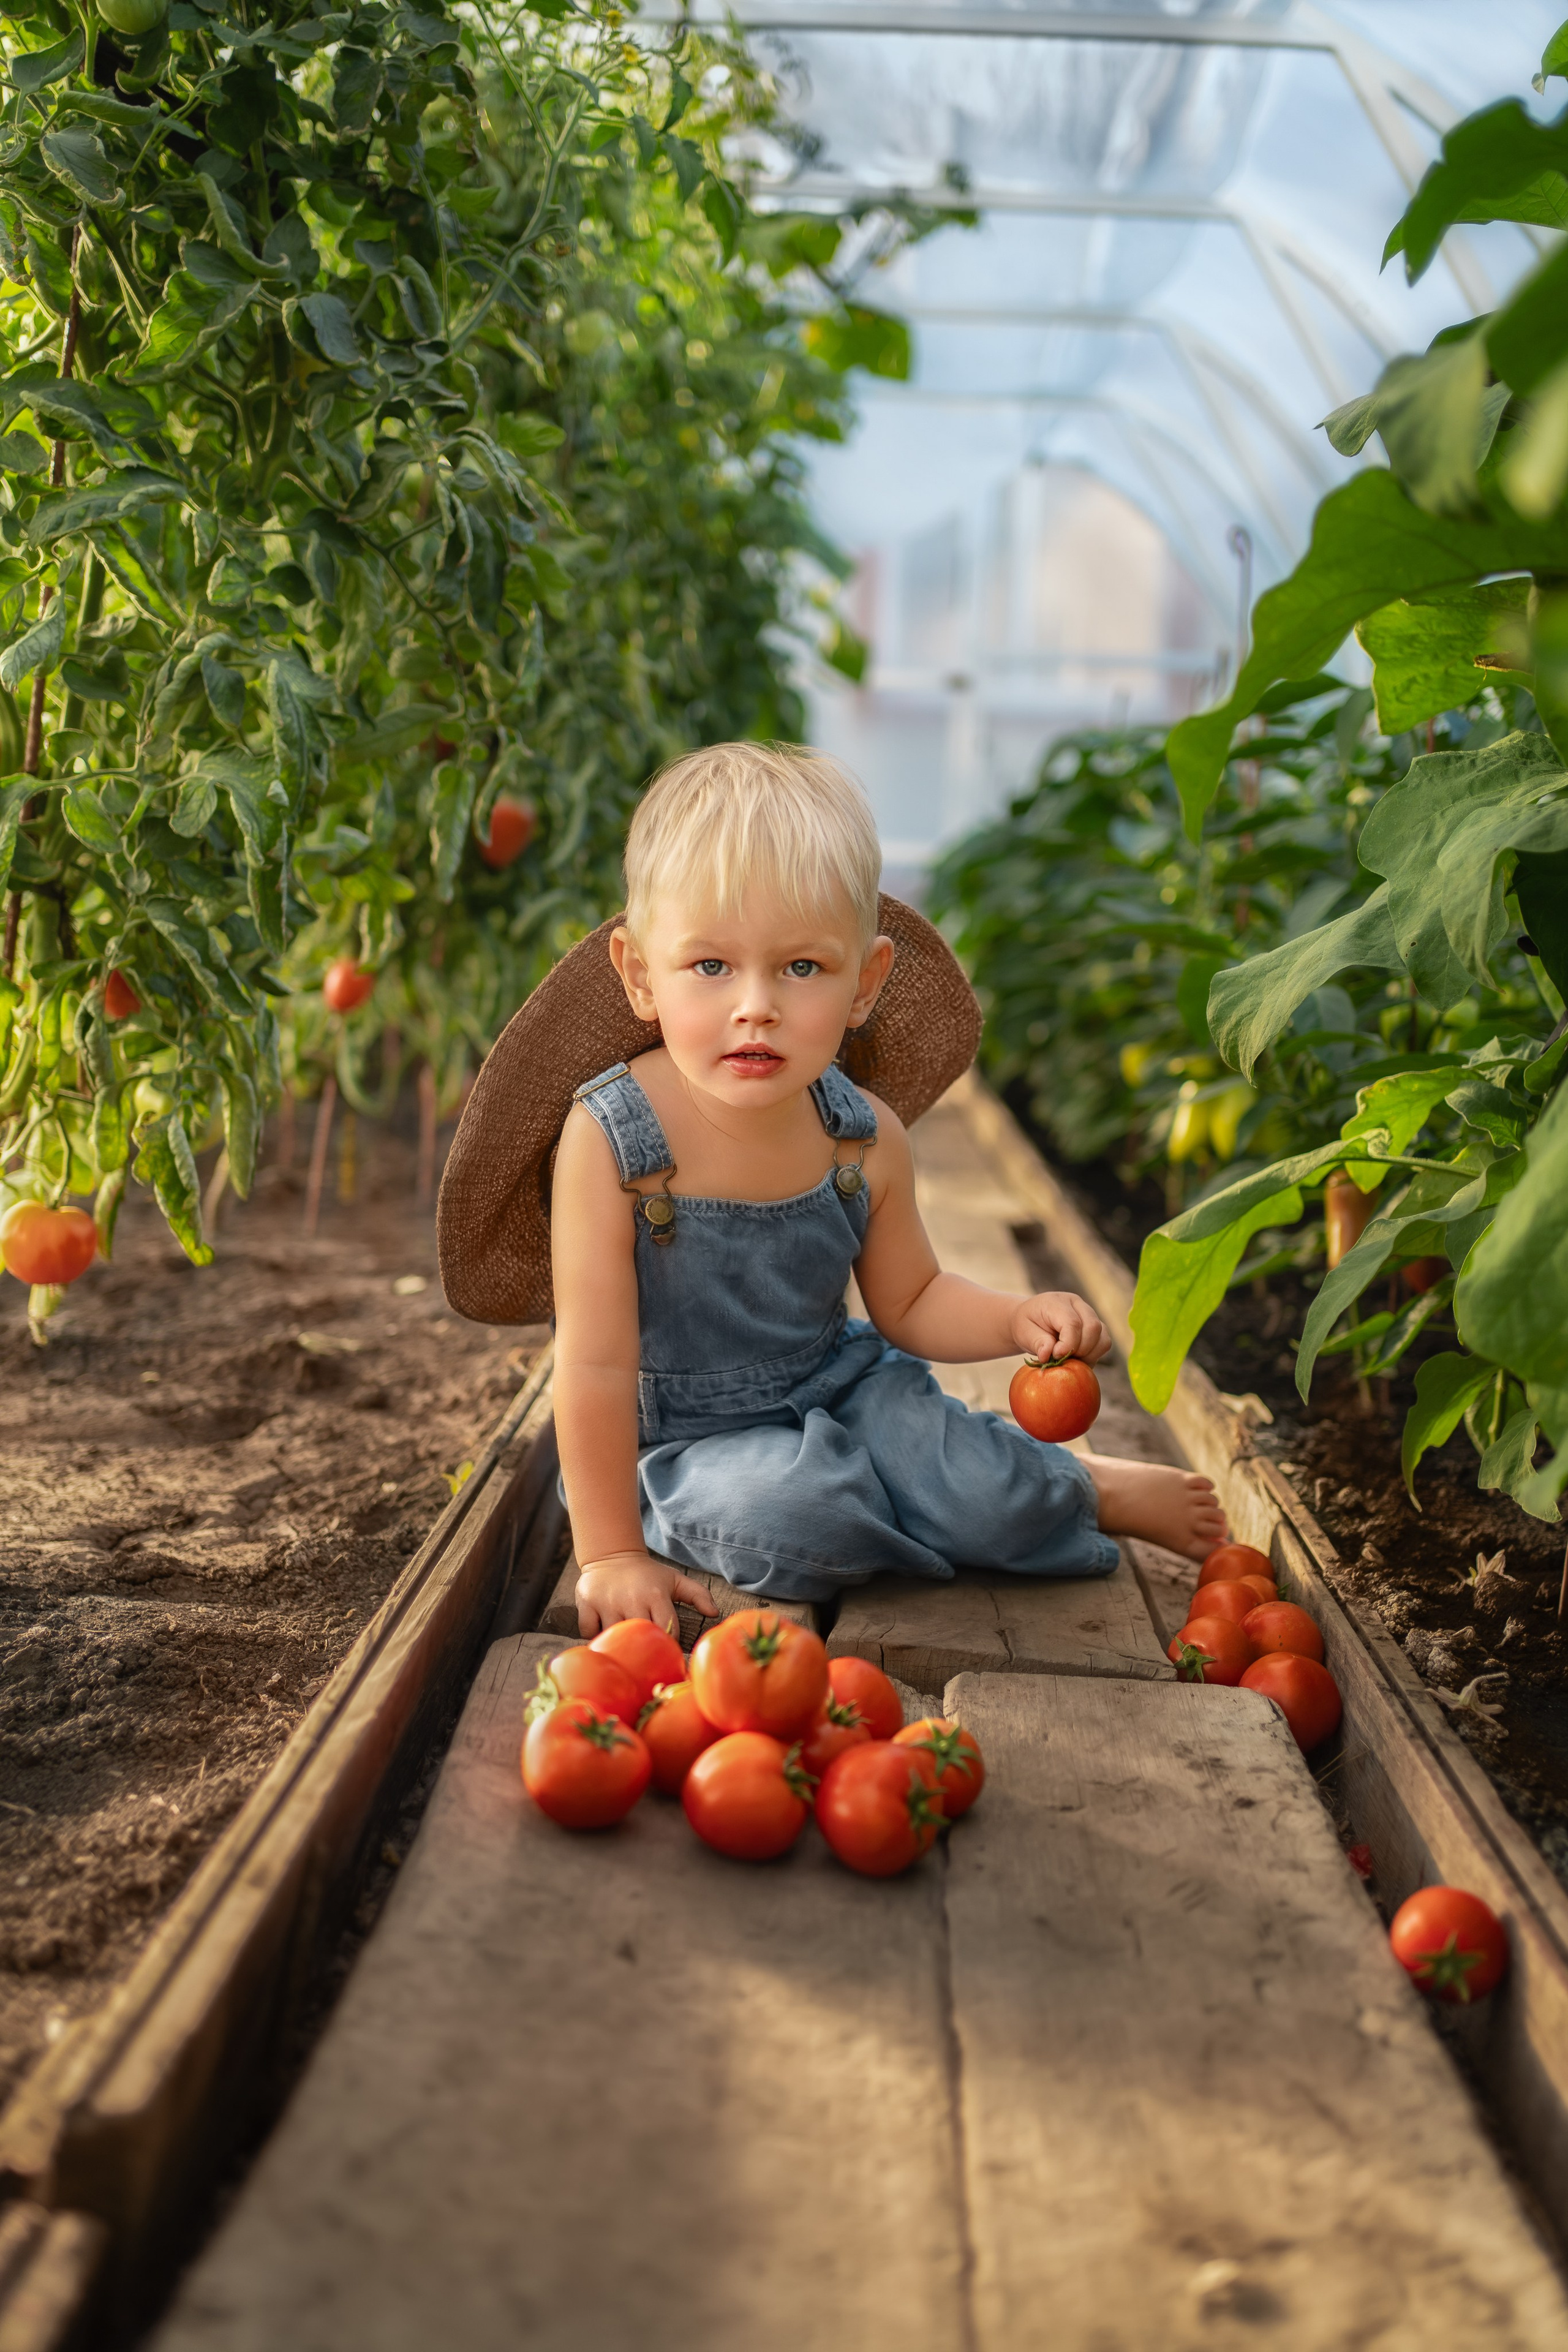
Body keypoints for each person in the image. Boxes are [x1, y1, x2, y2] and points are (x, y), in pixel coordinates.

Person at [438, 742, 1226, 1635]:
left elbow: (914, 1300)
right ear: (638, 975)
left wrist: (1014, 1320)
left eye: (802, 968)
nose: (756, 1006)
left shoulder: (861, 1136)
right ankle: (952, 1487)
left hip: (843, 1385)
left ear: (867, 983)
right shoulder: (610, 1139)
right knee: (790, 1515)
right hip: (689, 1439)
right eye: (711, 967)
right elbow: (594, 1362)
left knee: (952, 1493)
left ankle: (1072, 1486)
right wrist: (613, 1554)